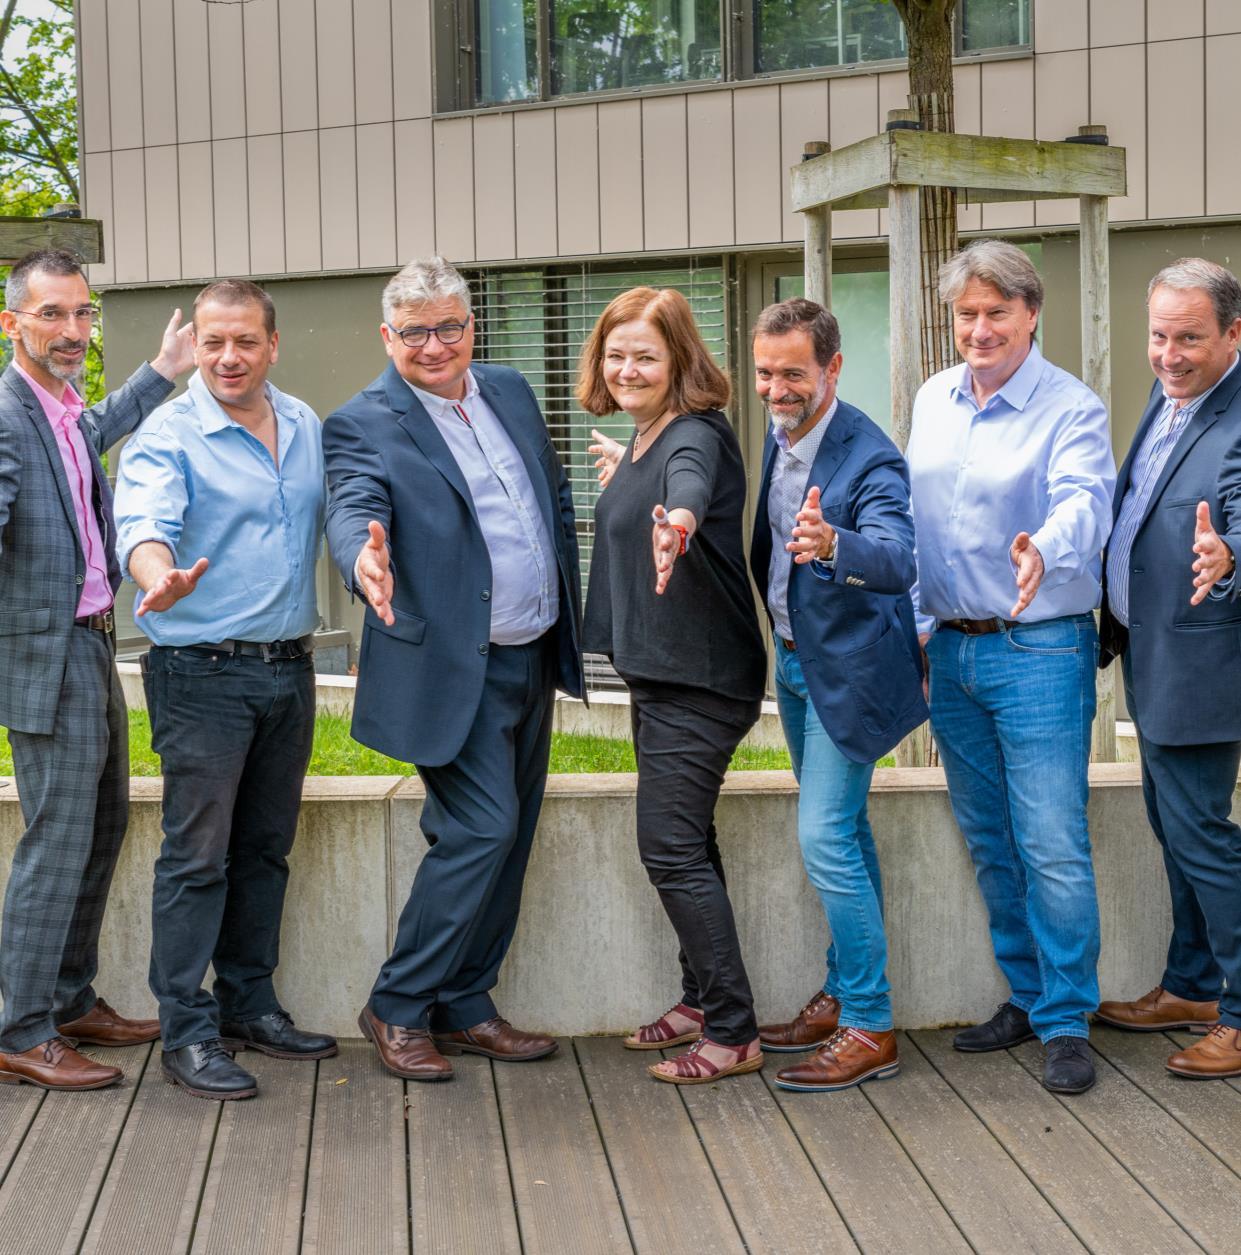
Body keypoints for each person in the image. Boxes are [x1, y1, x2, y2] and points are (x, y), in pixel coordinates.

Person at [323, 257, 583, 1083]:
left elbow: (548, 496)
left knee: (512, 835)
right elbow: (352, 507)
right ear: (386, 336)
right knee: (481, 828)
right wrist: (362, 562)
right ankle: (397, 1004)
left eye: (448, 327)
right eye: (414, 332)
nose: (433, 346)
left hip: (530, 652)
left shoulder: (509, 389)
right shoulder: (362, 422)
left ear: (471, 326)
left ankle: (466, 1001)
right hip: (448, 665)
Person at [115, 279, 337, 1101]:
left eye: (245, 340)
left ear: (272, 344)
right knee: (197, 856)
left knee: (264, 848)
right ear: (196, 347)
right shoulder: (168, 434)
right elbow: (143, 524)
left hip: (289, 668)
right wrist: (157, 574)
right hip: (201, 673)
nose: (229, 357)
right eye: (213, 342)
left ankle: (250, 1005)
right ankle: (187, 1029)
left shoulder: (305, 422)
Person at [908, 240, 1115, 1095]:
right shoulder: (932, 397)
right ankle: (1027, 996)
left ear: (1031, 314)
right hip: (950, 648)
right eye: (966, 314)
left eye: (997, 311)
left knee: (1051, 841)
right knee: (990, 837)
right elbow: (916, 521)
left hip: (1038, 648)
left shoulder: (1070, 406)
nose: (979, 328)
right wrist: (918, 630)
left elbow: (1085, 501)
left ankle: (1066, 1020)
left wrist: (1045, 548)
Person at [0, 248, 193, 1091]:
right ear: (12, 322)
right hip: (45, 656)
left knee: (102, 824)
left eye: (82, 312)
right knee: (58, 838)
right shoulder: (7, 414)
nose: (73, 329)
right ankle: (21, 1027)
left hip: (92, 642)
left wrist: (163, 370)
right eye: (53, 313)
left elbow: (99, 428)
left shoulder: (62, 406)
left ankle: (68, 998)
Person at [581, 286, 768, 1085]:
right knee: (688, 841)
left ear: (680, 359)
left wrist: (679, 521)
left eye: (645, 357)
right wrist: (626, 481)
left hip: (700, 678)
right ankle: (698, 1001)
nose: (627, 369)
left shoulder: (693, 434)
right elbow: (658, 484)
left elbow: (688, 486)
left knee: (666, 846)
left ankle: (732, 1030)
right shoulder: (645, 435)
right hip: (664, 673)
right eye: (615, 355)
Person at [747, 298, 927, 1093]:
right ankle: (841, 993)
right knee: (845, 830)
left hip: (848, 675)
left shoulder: (870, 456)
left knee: (822, 835)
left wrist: (832, 544)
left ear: (832, 367)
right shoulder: (778, 435)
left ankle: (868, 1024)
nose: (775, 389)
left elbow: (896, 559)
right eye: (764, 372)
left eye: (792, 373)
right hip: (792, 664)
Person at [1095, 257, 1241, 1078]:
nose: (1168, 354)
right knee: (1173, 827)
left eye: (1188, 338)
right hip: (1149, 654)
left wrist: (1231, 556)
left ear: (1233, 333)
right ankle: (1190, 985)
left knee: (1202, 837)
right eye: (1157, 335)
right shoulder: (1170, 395)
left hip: (1200, 666)